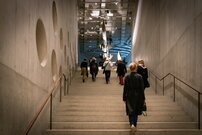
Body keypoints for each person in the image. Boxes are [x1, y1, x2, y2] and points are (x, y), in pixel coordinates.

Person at [123, 62, 145, 129]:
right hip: (138, 95)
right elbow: (142, 88)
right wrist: (143, 98)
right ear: (136, 68)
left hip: (129, 95)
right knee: (136, 110)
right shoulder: (139, 77)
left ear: (130, 68)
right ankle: (134, 124)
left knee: (130, 110)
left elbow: (125, 88)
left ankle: (131, 123)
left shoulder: (127, 77)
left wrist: (124, 97)